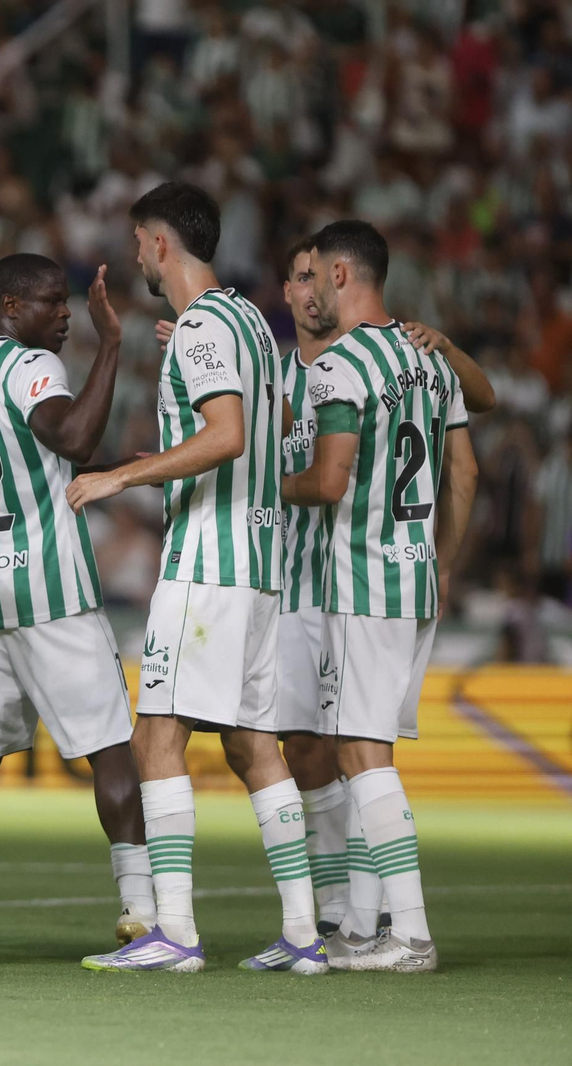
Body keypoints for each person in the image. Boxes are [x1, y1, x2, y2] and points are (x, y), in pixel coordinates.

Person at [69, 182, 323, 974]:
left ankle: (173, 932)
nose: (138, 252)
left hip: (207, 563)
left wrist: (125, 477)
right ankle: (306, 936)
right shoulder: (247, 320)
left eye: (140, 239)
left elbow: (228, 434)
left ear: (160, 244)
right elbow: (277, 430)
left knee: (158, 737)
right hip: (259, 564)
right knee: (253, 746)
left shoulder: (209, 326)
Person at [0, 254, 152, 960]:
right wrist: (111, 347)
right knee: (110, 747)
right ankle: (142, 911)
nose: (65, 315)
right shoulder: (29, 370)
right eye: (52, 303)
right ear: (11, 305)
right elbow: (75, 439)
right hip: (50, 590)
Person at [281, 220, 478, 972]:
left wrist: (262, 485)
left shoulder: (341, 364)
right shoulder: (431, 362)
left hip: (363, 578)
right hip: (414, 575)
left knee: (361, 754)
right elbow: (465, 474)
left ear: (337, 274)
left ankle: (412, 934)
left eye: (315, 275)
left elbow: (329, 482)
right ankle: (364, 924)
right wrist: (442, 561)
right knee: (372, 749)